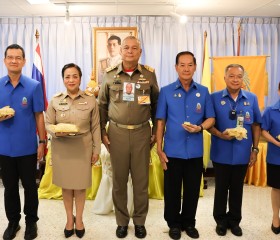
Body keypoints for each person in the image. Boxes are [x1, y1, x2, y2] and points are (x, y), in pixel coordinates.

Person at [99, 36, 159, 239]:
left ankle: (140, 221)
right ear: (121, 51)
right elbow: (102, 106)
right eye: (126, 48)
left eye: (134, 48)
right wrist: (102, 132)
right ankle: (122, 222)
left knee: (141, 182)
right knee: (119, 181)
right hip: (117, 133)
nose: (130, 51)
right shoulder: (109, 75)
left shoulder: (149, 75)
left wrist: (156, 133)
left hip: (143, 133)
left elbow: (156, 106)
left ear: (140, 52)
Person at [156, 51, 215, 240]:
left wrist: (200, 127)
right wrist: (159, 147)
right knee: (172, 191)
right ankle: (173, 224)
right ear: (176, 68)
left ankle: (189, 222)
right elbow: (160, 121)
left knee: (191, 191)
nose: (186, 68)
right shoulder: (166, 91)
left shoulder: (204, 91)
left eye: (190, 65)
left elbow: (211, 118)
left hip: (195, 151)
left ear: (195, 67)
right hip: (172, 150)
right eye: (182, 65)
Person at [45, 63, 101, 239]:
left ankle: (80, 221)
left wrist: (96, 149)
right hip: (62, 147)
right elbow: (48, 124)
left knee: (80, 186)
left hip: (83, 147)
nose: (71, 80)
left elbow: (96, 127)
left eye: (75, 76)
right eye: (67, 76)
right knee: (67, 186)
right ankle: (70, 219)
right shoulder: (55, 100)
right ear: (63, 79)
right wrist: (56, 131)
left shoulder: (91, 100)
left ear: (80, 78)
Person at [209, 64, 262, 237]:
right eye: (231, 76)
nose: (235, 79)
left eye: (239, 76)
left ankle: (235, 221)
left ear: (243, 79)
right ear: (224, 78)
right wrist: (220, 134)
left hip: (242, 153)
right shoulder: (214, 98)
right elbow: (209, 124)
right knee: (221, 189)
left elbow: (256, 125)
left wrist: (254, 149)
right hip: (221, 151)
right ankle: (221, 221)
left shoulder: (251, 99)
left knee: (238, 189)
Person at [0, 44, 46, 240]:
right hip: (4, 147)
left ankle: (31, 223)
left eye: (18, 57)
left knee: (30, 188)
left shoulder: (33, 85)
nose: (14, 60)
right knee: (9, 188)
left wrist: (43, 142)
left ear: (24, 61)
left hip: (27, 147)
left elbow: (39, 116)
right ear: (4, 61)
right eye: (10, 57)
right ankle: (12, 222)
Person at [261, 81, 280, 235]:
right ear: (279, 91)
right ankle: (275, 217)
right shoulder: (270, 110)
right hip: (276, 157)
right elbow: (264, 131)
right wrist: (277, 142)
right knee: (277, 188)